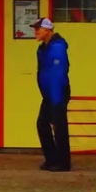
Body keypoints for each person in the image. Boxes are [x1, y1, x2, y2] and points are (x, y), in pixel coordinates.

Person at [34, 17, 71, 172]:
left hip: (58, 92)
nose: (35, 32)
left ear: (47, 30)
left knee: (59, 126)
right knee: (42, 124)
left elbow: (57, 74)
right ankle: (52, 159)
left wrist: (55, 98)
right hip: (49, 93)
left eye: (38, 29)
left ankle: (63, 162)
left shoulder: (57, 47)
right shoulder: (42, 48)